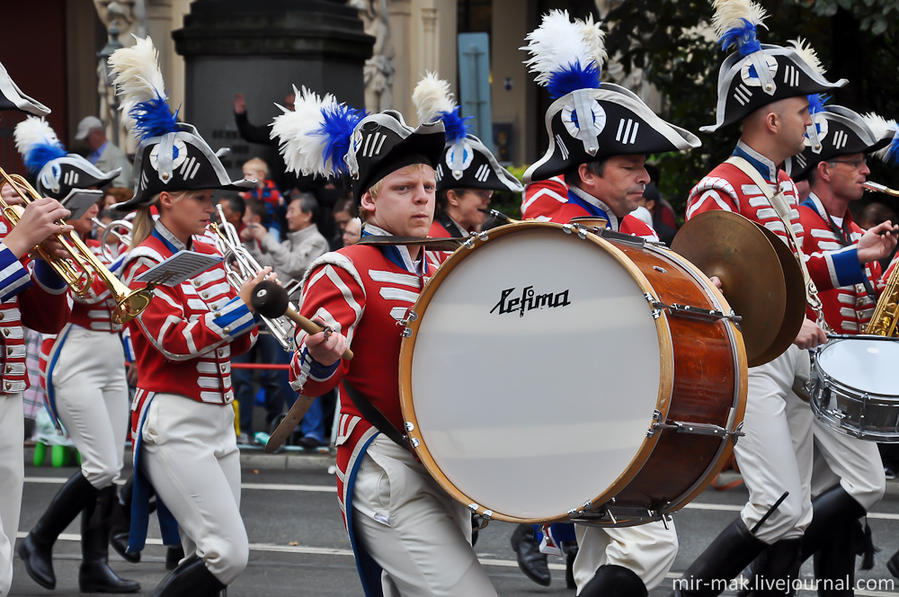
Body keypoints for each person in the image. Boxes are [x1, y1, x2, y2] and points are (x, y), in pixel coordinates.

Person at [673, 8, 896, 594]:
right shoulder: (721, 187)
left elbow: (792, 276)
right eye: (802, 110)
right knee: (777, 508)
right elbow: (706, 291)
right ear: (772, 118)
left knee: (796, 511)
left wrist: (855, 258)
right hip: (759, 359)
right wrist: (785, 322)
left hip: (796, 354)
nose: (809, 119)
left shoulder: (774, 181)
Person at [272, 85, 498, 595]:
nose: (423, 196)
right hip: (386, 467)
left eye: (429, 186)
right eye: (404, 188)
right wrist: (321, 351)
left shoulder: (445, 263)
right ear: (369, 202)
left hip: (444, 466)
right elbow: (306, 377)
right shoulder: (345, 267)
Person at [519, 11, 701, 596]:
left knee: (597, 558)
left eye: (644, 165)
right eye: (631, 165)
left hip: (610, 404)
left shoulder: (622, 222)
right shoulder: (561, 222)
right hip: (573, 407)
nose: (644, 176)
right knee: (651, 542)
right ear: (588, 173)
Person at [108, 36, 264, 595]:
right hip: (173, 419)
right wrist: (242, 308)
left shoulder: (204, 250)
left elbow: (231, 344)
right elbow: (174, 341)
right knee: (229, 554)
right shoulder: (140, 260)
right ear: (164, 201)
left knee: (209, 557)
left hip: (220, 418)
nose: (212, 208)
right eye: (201, 197)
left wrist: (257, 307)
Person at [13, 116, 139, 593]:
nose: (101, 210)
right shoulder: (58, 247)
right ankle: (39, 538)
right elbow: (82, 292)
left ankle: (93, 565)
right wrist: (117, 262)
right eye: (91, 202)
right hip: (77, 357)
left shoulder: (103, 243)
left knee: (111, 466)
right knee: (101, 466)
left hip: (110, 353)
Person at [785, 104, 897, 592]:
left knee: (844, 508)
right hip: (801, 381)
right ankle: (769, 571)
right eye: (855, 161)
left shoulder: (856, 232)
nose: (867, 171)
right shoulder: (799, 226)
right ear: (825, 169)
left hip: (844, 389)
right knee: (797, 502)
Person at [0, 60, 73, 597]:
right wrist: (17, 246)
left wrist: (49, 259)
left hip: (6, 395)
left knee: (2, 546)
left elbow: (43, 318)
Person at [244, 191, 330, 446]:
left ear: (308, 214)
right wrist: (249, 246)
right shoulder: (290, 240)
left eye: (292, 210)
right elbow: (270, 266)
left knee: (307, 372)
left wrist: (266, 238)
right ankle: (299, 428)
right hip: (284, 319)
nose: (288, 214)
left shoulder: (316, 241)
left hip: (303, 318)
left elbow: (294, 265)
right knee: (289, 376)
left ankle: (313, 431)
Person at [411, 73, 523, 241]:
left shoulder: (465, 235)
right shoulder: (433, 241)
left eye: (489, 194)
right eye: (481, 194)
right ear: (453, 198)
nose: (487, 200)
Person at [74, 115, 132, 188]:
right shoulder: (89, 156)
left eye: (86, 138)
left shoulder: (117, 156)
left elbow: (121, 188)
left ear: (98, 134)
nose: (85, 142)